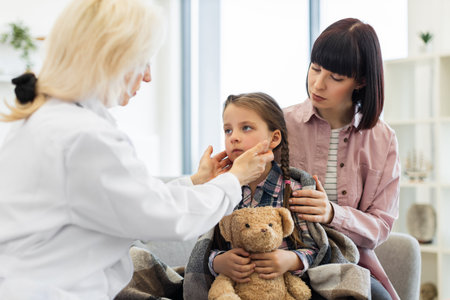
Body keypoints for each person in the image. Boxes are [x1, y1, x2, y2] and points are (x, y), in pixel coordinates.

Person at [0, 1, 273, 299]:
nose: (147, 77)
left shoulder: (54, 120)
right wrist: (234, 180)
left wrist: (195, 183)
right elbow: (166, 218)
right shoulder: (82, 136)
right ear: (113, 58)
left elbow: (128, 203)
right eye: (143, 61)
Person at [284, 18, 401, 300]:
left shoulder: (383, 140)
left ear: (360, 81)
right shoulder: (282, 124)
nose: (318, 84)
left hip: (348, 263)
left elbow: (380, 228)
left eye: (335, 78)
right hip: (285, 258)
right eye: (315, 69)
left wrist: (332, 213)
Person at [208, 92, 319, 284]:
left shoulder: (294, 191)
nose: (234, 137)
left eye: (246, 128)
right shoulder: (220, 189)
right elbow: (205, 247)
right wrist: (217, 262)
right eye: (228, 130)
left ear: (274, 138)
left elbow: (316, 250)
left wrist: (292, 260)